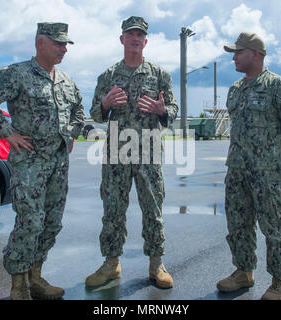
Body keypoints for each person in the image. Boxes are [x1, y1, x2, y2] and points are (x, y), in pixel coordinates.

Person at [0, 22, 85, 300]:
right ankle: (19, 285)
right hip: (29, 163)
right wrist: (8, 132)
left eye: (66, 44)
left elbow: (79, 112)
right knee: (30, 222)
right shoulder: (18, 74)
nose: (63, 49)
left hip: (58, 165)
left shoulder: (66, 81)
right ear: (40, 43)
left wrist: (70, 134)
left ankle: (36, 276)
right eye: (58, 43)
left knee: (51, 223)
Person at [87, 16, 178, 289]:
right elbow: (94, 114)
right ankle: (111, 264)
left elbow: (173, 111)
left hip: (149, 151)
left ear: (146, 41)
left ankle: (156, 264)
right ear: (122, 39)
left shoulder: (160, 75)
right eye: (131, 34)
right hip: (116, 152)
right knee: (113, 207)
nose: (135, 39)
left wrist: (163, 110)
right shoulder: (108, 76)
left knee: (153, 208)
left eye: (140, 35)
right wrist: (104, 103)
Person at [216, 32, 281, 300]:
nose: (233, 57)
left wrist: (274, 155)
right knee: (238, 223)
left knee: (275, 228)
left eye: (238, 52)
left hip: (269, 173)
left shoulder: (279, 87)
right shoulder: (235, 89)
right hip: (237, 171)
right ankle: (244, 272)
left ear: (255, 53)